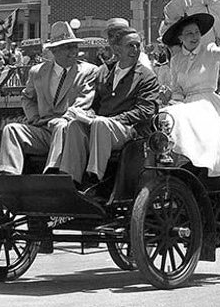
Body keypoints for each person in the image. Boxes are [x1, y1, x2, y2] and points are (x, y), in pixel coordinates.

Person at [156, 11, 220, 185]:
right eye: (189, 33)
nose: (195, 36)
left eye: (196, 32)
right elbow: (178, 90)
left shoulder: (209, 50)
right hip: (186, 104)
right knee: (165, 115)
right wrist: (169, 97)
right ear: (180, 38)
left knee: (179, 115)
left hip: (209, 104)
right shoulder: (177, 59)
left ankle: (197, 163)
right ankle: (170, 162)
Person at [60, 25, 160, 187]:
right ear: (116, 49)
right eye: (130, 45)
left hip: (130, 131)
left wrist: (112, 119)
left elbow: (146, 111)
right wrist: (87, 113)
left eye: (137, 45)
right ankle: (71, 180)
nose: (135, 49)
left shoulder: (146, 77)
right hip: (103, 127)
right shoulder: (103, 72)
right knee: (75, 126)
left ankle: (94, 179)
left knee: (101, 123)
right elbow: (95, 103)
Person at [0, 21, 97, 176]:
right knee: (12, 129)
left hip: (71, 130)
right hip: (43, 131)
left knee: (60, 125)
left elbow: (83, 101)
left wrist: (64, 117)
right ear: (54, 51)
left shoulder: (89, 71)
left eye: (75, 46)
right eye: (68, 47)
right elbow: (27, 98)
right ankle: (8, 174)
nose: (74, 51)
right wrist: (34, 117)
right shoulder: (37, 72)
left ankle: (53, 171)